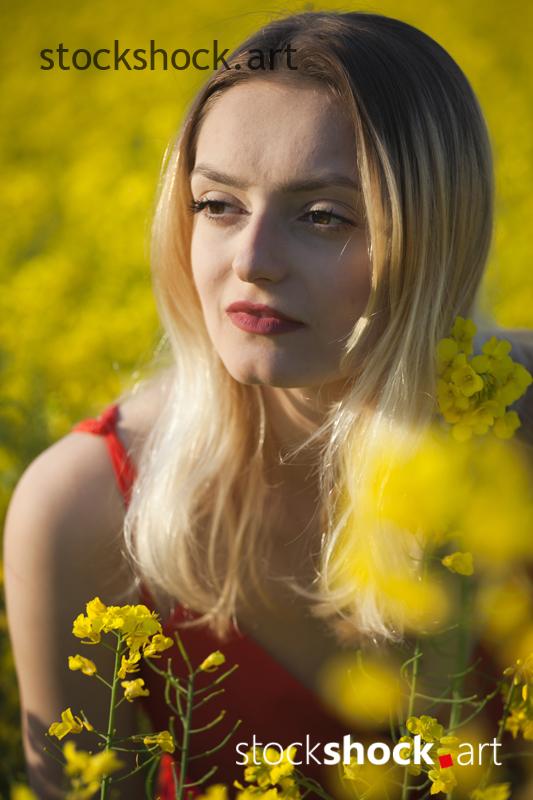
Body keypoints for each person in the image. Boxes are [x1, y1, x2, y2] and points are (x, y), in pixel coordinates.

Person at [4, 9, 533, 800]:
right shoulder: (82, 510)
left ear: (435, 236)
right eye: (217, 205)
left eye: (322, 216)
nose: (251, 262)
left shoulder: (519, 443)